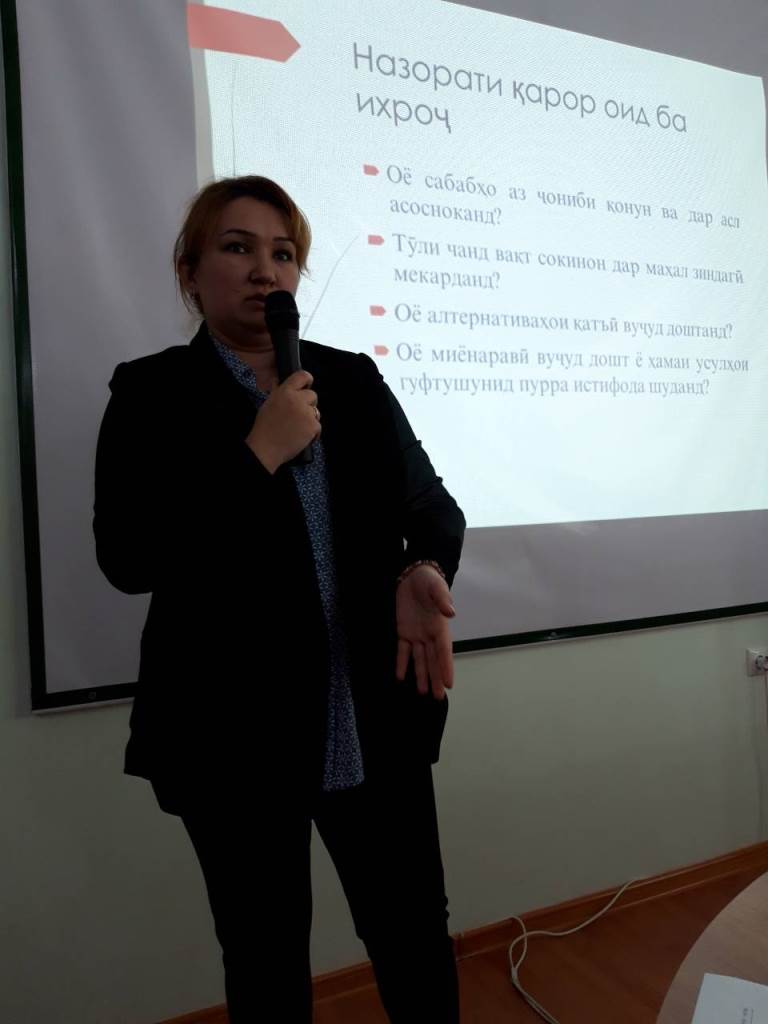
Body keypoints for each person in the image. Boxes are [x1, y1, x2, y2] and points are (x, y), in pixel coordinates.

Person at [93, 175, 465, 1022]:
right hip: (232, 736)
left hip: (371, 716)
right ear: (190, 273)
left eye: (284, 253)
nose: (266, 270)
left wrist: (424, 568)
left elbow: (431, 508)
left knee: (413, 930)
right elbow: (128, 556)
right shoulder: (150, 393)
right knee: (264, 953)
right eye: (238, 248)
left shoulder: (352, 381)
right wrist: (255, 453)